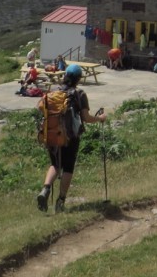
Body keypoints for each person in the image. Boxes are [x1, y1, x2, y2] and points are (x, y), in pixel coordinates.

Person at [36, 64, 108, 214]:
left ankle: (46, 189)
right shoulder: (79, 94)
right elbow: (86, 118)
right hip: (70, 136)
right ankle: (61, 201)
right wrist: (100, 118)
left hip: (51, 133)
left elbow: (39, 107)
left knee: (55, 164)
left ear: (65, 76)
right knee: (68, 167)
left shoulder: (54, 92)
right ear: (78, 79)